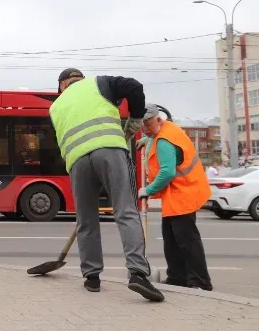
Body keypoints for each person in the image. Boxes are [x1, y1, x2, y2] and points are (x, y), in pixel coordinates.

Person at [49, 68, 164, 302]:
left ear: (62, 85)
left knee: (86, 219)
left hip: (77, 160)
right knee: (125, 211)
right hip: (110, 150)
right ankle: (138, 273)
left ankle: (92, 277)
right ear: (81, 79)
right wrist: (133, 123)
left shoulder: (55, 106)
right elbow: (135, 87)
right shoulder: (100, 83)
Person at [139, 103, 213, 291]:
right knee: (171, 241)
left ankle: (200, 282)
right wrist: (147, 141)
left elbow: (167, 173)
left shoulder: (164, 141)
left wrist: (148, 190)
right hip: (178, 194)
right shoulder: (165, 130)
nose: (145, 129)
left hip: (184, 193)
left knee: (187, 241)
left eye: (148, 124)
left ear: (158, 119)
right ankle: (177, 277)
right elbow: (157, 137)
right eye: (142, 126)